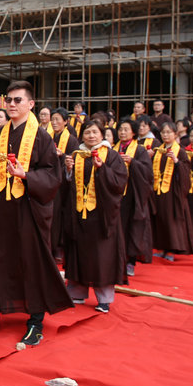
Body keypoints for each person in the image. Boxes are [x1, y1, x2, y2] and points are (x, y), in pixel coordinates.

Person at [0, 81, 73, 347]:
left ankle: (35, 321)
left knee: (30, 261)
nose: (12, 104)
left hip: (26, 210)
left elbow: (53, 175)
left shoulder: (41, 137)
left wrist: (26, 175)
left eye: (18, 100)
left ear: (31, 104)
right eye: (9, 100)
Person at [63, 121, 127, 312]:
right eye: (88, 133)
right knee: (79, 252)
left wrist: (102, 169)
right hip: (79, 213)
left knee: (102, 256)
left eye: (95, 133)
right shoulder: (77, 155)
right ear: (82, 136)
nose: (91, 136)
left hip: (102, 215)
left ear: (103, 135)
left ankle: (104, 298)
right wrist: (67, 170)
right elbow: (66, 185)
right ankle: (77, 292)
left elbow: (119, 183)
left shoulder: (112, 156)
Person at [151, 123, 193, 261]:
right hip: (159, 190)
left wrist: (176, 162)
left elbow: (186, 171)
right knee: (161, 219)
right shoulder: (159, 150)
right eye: (163, 132)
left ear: (175, 134)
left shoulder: (180, 151)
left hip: (173, 191)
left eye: (169, 132)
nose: (165, 135)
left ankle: (172, 250)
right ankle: (162, 247)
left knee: (172, 220)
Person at [115, 119, 153, 276]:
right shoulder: (113, 149)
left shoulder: (139, 150)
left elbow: (147, 173)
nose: (122, 132)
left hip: (132, 194)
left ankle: (130, 261)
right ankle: (118, 259)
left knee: (131, 228)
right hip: (117, 195)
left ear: (133, 132)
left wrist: (133, 163)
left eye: (126, 129)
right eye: (120, 129)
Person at [49, 108, 79, 264]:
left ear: (66, 122)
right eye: (52, 119)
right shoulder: (49, 137)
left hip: (65, 184)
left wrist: (62, 156)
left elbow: (74, 161)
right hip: (51, 180)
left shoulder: (72, 140)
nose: (54, 123)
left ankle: (60, 245)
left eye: (57, 119)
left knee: (62, 213)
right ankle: (51, 245)